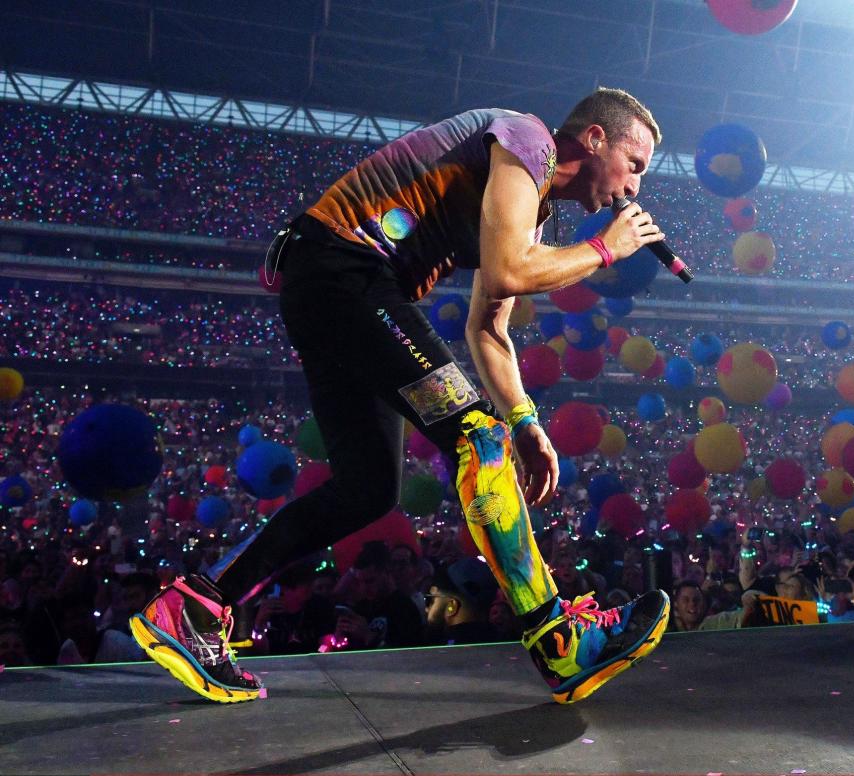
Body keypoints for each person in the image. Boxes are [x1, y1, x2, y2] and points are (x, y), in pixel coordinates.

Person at [131, 87, 672, 704]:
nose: (633, 190)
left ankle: (194, 606)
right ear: (596, 138)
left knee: (368, 486)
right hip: (347, 272)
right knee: (476, 438)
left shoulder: (535, 207)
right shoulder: (529, 140)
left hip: (335, 286)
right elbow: (508, 273)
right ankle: (557, 641)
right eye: (635, 166)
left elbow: (488, 325)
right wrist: (606, 249)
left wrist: (526, 420)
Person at [425, 557, 500, 645]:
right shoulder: (501, 639)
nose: (427, 608)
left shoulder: (444, 649)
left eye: (433, 600)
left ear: (451, 607)